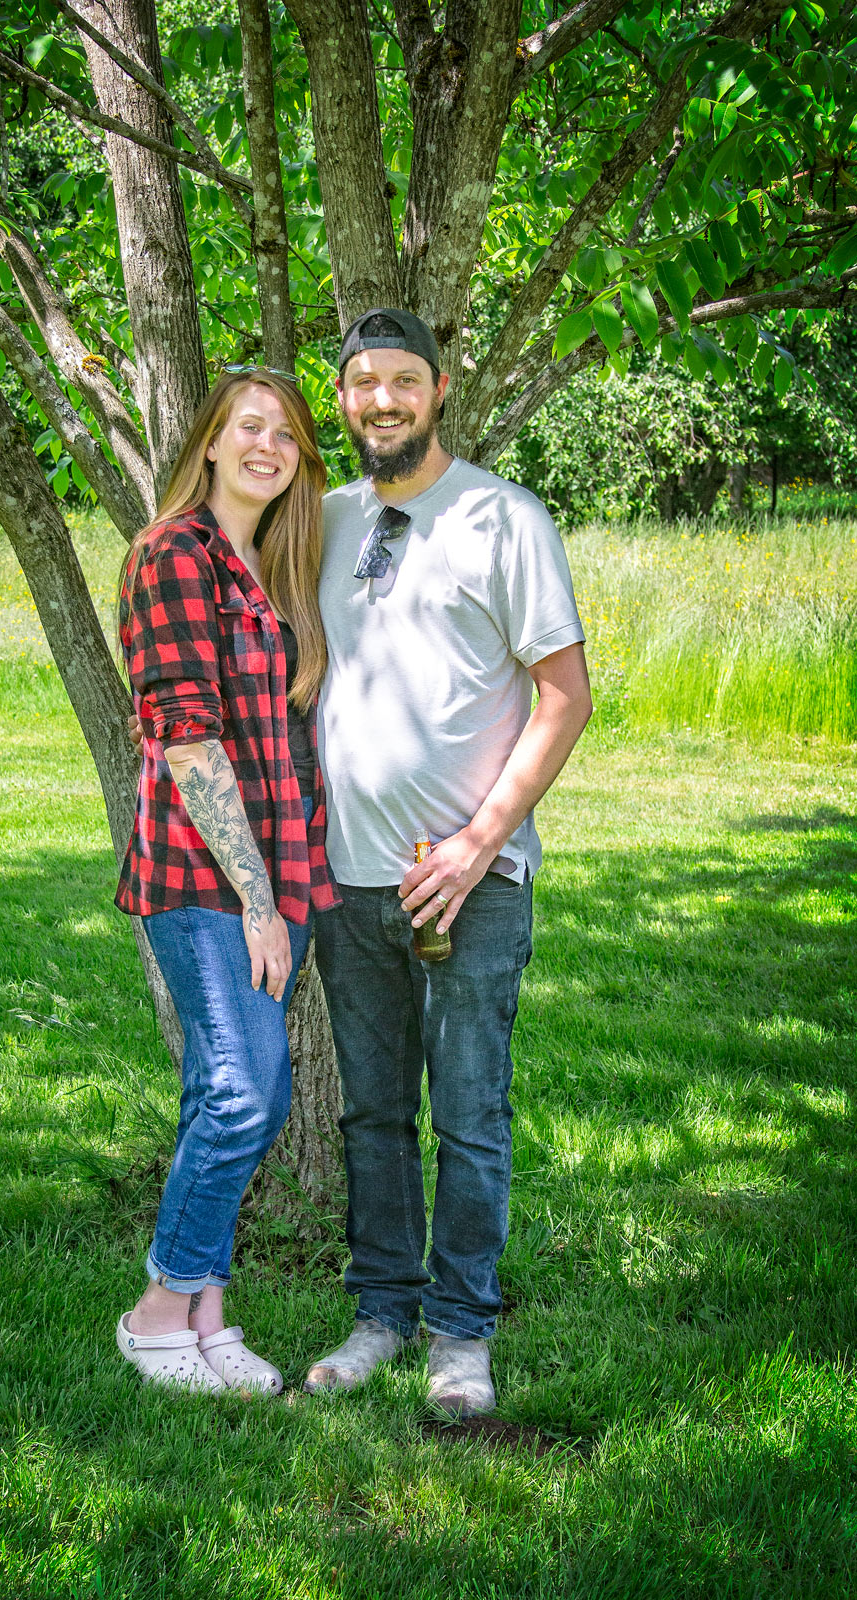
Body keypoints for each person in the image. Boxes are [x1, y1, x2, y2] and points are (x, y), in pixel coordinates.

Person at [303, 309, 593, 1416]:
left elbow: (564, 697)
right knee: (371, 1114)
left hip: (471, 883)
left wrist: (478, 842)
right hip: (346, 876)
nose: (380, 399)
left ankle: (459, 1332)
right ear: (342, 398)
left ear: (437, 391)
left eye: (401, 380)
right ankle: (380, 1311)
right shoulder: (323, 519)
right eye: (360, 382)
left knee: (467, 1115)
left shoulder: (502, 516)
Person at [114, 366, 339, 1396]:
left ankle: (208, 1316)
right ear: (207, 442)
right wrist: (256, 900)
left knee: (229, 1088)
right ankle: (158, 1307)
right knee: (246, 1095)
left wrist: (284, 885)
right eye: (248, 427)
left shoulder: (270, 569)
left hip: (277, 871)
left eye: (286, 435)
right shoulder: (172, 555)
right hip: (202, 877)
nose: (267, 446)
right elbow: (188, 741)